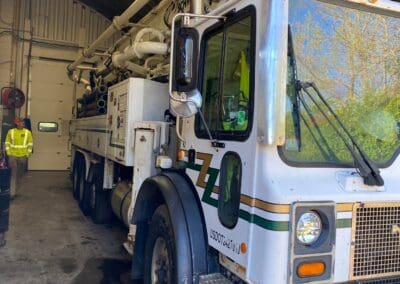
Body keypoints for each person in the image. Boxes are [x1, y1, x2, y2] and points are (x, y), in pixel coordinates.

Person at [4, 117, 33, 199]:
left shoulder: (27, 133)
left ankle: (15, 190)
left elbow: (30, 144)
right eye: (21, 122)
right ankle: (12, 193)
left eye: (23, 123)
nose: (23, 124)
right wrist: (9, 153)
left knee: (19, 175)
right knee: (13, 174)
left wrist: (27, 154)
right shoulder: (11, 132)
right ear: (17, 123)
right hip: (13, 156)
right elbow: (7, 142)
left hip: (23, 157)